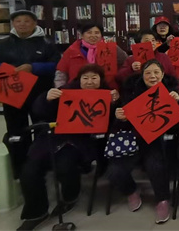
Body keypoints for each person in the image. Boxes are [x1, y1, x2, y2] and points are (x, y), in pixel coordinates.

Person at [18, 64, 117, 230]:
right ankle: (36, 212)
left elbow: (112, 123)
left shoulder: (107, 94)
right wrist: (46, 98)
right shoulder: (66, 91)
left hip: (80, 141)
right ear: (79, 79)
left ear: (101, 80)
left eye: (94, 78)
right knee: (29, 170)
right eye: (85, 78)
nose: (90, 81)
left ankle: (70, 197)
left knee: (66, 165)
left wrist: (114, 104)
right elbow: (39, 111)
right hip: (53, 138)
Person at [107, 59, 179, 224]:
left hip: (157, 141)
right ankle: (131, 191)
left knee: (155, 165)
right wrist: (120, 117)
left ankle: (163, 200)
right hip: (132, 139)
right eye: (148, 73)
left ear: (162, 75)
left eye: (156, 72)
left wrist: (178, 103)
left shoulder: (172, 91)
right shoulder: (132, 91)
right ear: (142, 76)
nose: (152, 76)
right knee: (114, 171)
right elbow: (119, 124)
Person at [0, 9, 60, 178]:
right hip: (11, 92)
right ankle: (19, 168)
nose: (22, 24)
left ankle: (43, 164)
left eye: (26, 21)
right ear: (13, 24)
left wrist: (33, 68)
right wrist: (6, 69)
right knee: (15, 129)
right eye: (18, 21)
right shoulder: (4, 44)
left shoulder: (46, 43)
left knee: (42, 127)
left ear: (34, 23)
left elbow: (56, 64)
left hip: (39, 92)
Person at [54, 23, 127, 89]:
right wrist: (60, 89)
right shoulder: (72, 50)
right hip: (76, 89)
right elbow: (61, 72)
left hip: (106, 89)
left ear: (101, 35)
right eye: (89, 33)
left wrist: (114, 48)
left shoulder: (109, 48)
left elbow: (125, 63)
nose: (93, 36)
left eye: (97, 33)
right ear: (82, 35)